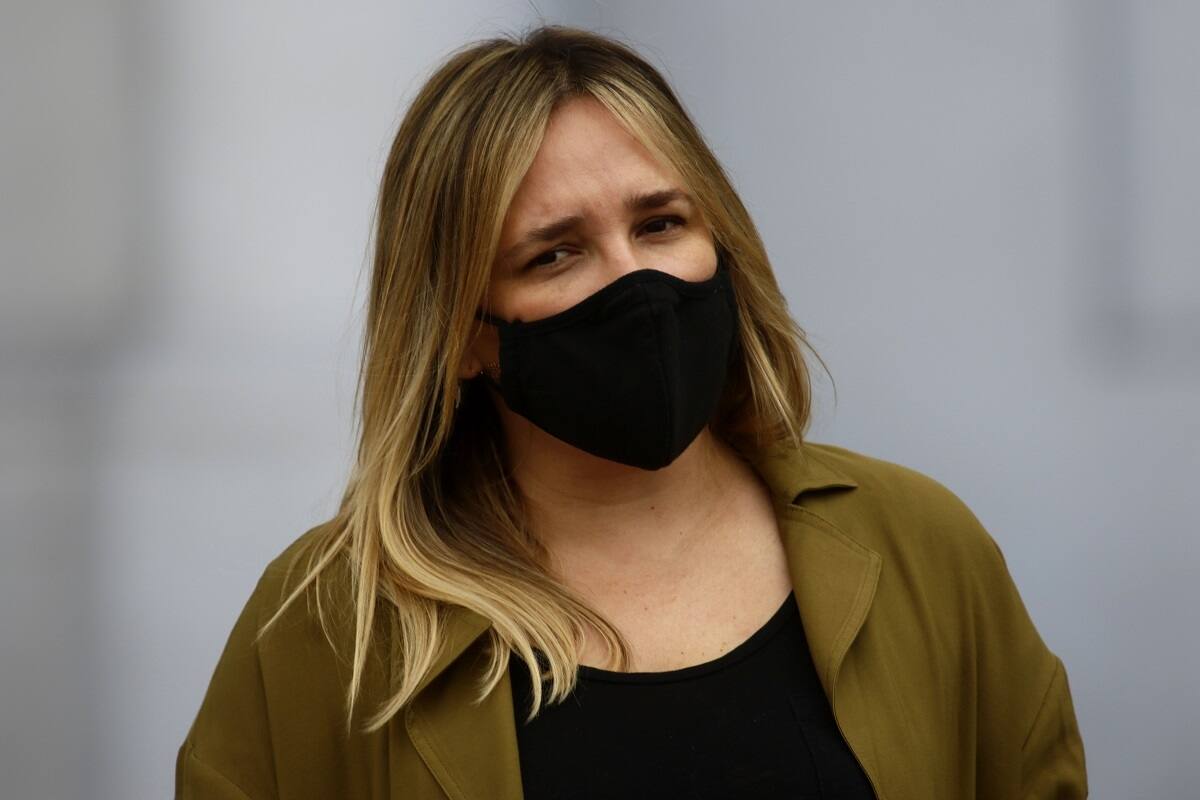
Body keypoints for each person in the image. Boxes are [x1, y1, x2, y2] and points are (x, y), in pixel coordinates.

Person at [176, 23, 1088, 800]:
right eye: (554, 254)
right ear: (463, 336)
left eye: (660, 224)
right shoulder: (333, 626)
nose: (635, 281)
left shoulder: (924, 547)